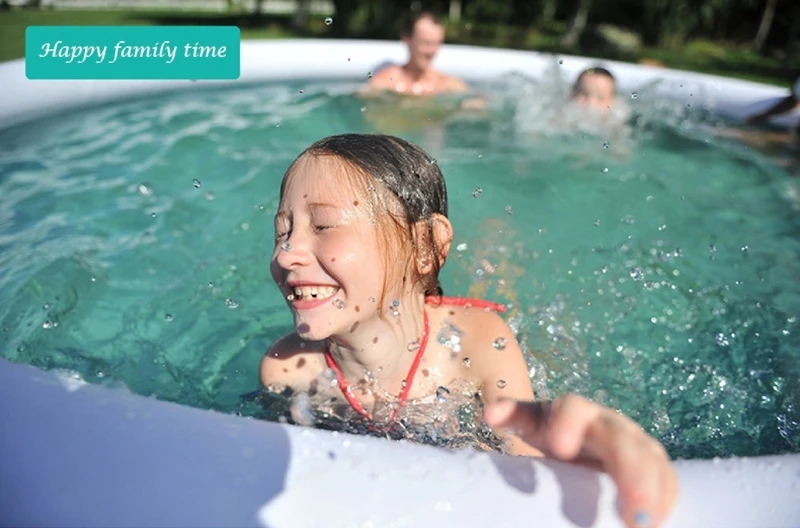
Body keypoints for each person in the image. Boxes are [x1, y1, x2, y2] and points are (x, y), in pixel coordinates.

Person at [260, 133, 677, 528]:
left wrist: (575, 443)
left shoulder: (475, 344)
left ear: (425, 246)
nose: (288, 252)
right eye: (282, 230)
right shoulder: (288, 369)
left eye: (324, 226)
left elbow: (525, 450)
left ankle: (502, 253)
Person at [363, 10, 469, 96]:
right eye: (426, 43)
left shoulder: (447, 84)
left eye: (436, 44)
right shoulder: (385, 82)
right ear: (407, 39)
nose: (431, 51)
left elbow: (475, 101)